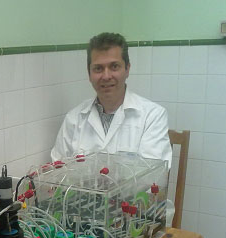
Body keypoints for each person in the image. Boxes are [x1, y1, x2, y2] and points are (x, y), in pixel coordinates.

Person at [50, 32, 172, 168]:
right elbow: (56, 171)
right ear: (89, 74)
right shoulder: (74, 118)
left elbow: (153, 176)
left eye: (114, 66)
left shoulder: (152, 116)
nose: (106, 76)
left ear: (127, 69)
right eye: (98, 68)